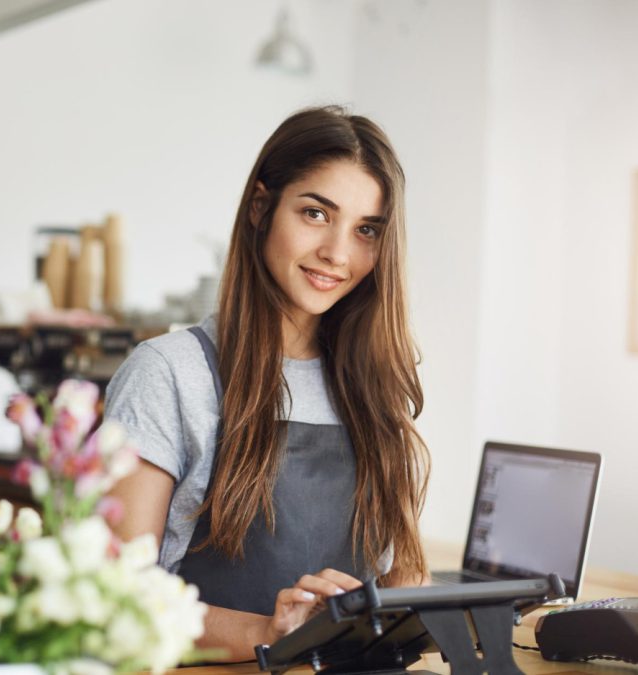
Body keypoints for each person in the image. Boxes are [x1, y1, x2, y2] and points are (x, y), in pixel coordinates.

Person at [103, 106, 430, 661]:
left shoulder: (373, 385)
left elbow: (400, 571)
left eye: (366, 230)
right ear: (261, 207)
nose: (338, 253)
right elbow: (116, 599)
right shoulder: (169, 373)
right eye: (316, 214)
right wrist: (275, 633)